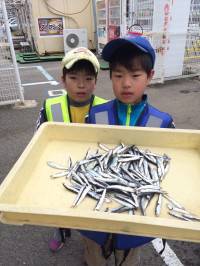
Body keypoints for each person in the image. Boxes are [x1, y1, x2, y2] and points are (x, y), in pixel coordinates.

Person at [81, 34, 175, 266]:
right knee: (94, 258)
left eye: (135, 75)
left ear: (150, 76)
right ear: (110, 76)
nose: (126, 83)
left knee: (129, 261)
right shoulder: (95, 115)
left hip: (136, 224)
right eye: (118, 75)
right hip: (95, 219)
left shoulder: (162, 122)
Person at [36, 47, 107, 252]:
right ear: (63, 79)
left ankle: (92, 236)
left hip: (93, 172)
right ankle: (61, 229)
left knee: (91, 207)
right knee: (59, 203)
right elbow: (38, 142)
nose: (81, 84)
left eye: (88, 78)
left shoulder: (105, 107)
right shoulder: (50, 106)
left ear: (96, 81)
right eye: (74, 77)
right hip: (60, 168)